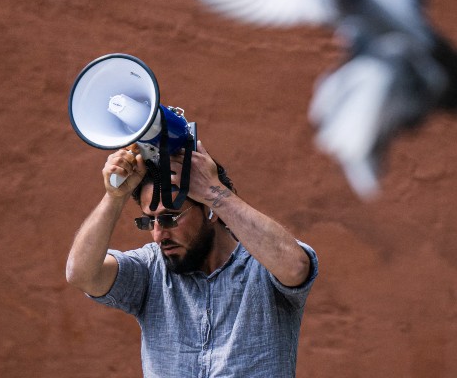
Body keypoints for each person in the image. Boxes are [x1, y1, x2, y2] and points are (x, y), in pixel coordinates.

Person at [65, 139, 318, 378]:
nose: (157, 235)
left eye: (169, 218)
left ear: (210, 212)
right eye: (148, 221)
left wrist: (213, 191)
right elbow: (81, 274)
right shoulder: (150, 268)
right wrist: (114, 196)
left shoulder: (262, 265)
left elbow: (296, 267)